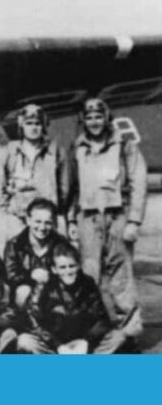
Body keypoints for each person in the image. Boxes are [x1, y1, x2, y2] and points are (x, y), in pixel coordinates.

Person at [67, 97, 147, 334]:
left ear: (107, 118)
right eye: (89, 117)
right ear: (83, 120)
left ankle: (129, 331)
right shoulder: (77, 147)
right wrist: (71, 220)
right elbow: (72, 187)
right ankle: (94, 330)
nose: (94, 122)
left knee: (121, 276)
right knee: (89, 275)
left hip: (117, 216)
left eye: (98, 117)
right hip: (88, 219)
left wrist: (134, 220)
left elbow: (138, 182)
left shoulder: (124, 145)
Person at [17, 243, 130, 354]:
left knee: (117, 337)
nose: (68, 271)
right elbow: (34, 322)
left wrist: (86, 341)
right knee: (25, 341)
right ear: (54, 269)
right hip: (55, 345)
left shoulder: (88, 284)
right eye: (62, 267)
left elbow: (101, 319)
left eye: (72, 266)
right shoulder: (44, 287)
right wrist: (58, 345)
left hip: (83, 344)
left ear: (79, 265)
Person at [0, 104, 68, 243]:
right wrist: (7, 210)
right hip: (18, 216)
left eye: (37, 123)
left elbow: (64, 186)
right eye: (29, 123)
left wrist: (57, 209)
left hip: (47, 217)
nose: (33, 128)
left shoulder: (54, 151)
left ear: (43, 126)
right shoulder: (9, 151)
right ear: (22, 125)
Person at [3, 198, 68, 308]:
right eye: (38, 222)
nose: (42, 228)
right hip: (26, 294)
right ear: (28, 220)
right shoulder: (15, 244)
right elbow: (10, 275)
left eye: (47, 223)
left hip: (53, 291)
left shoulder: (61, 244)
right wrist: (31, 276)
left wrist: (50, 277)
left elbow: (69, 271)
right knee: (23, 291)